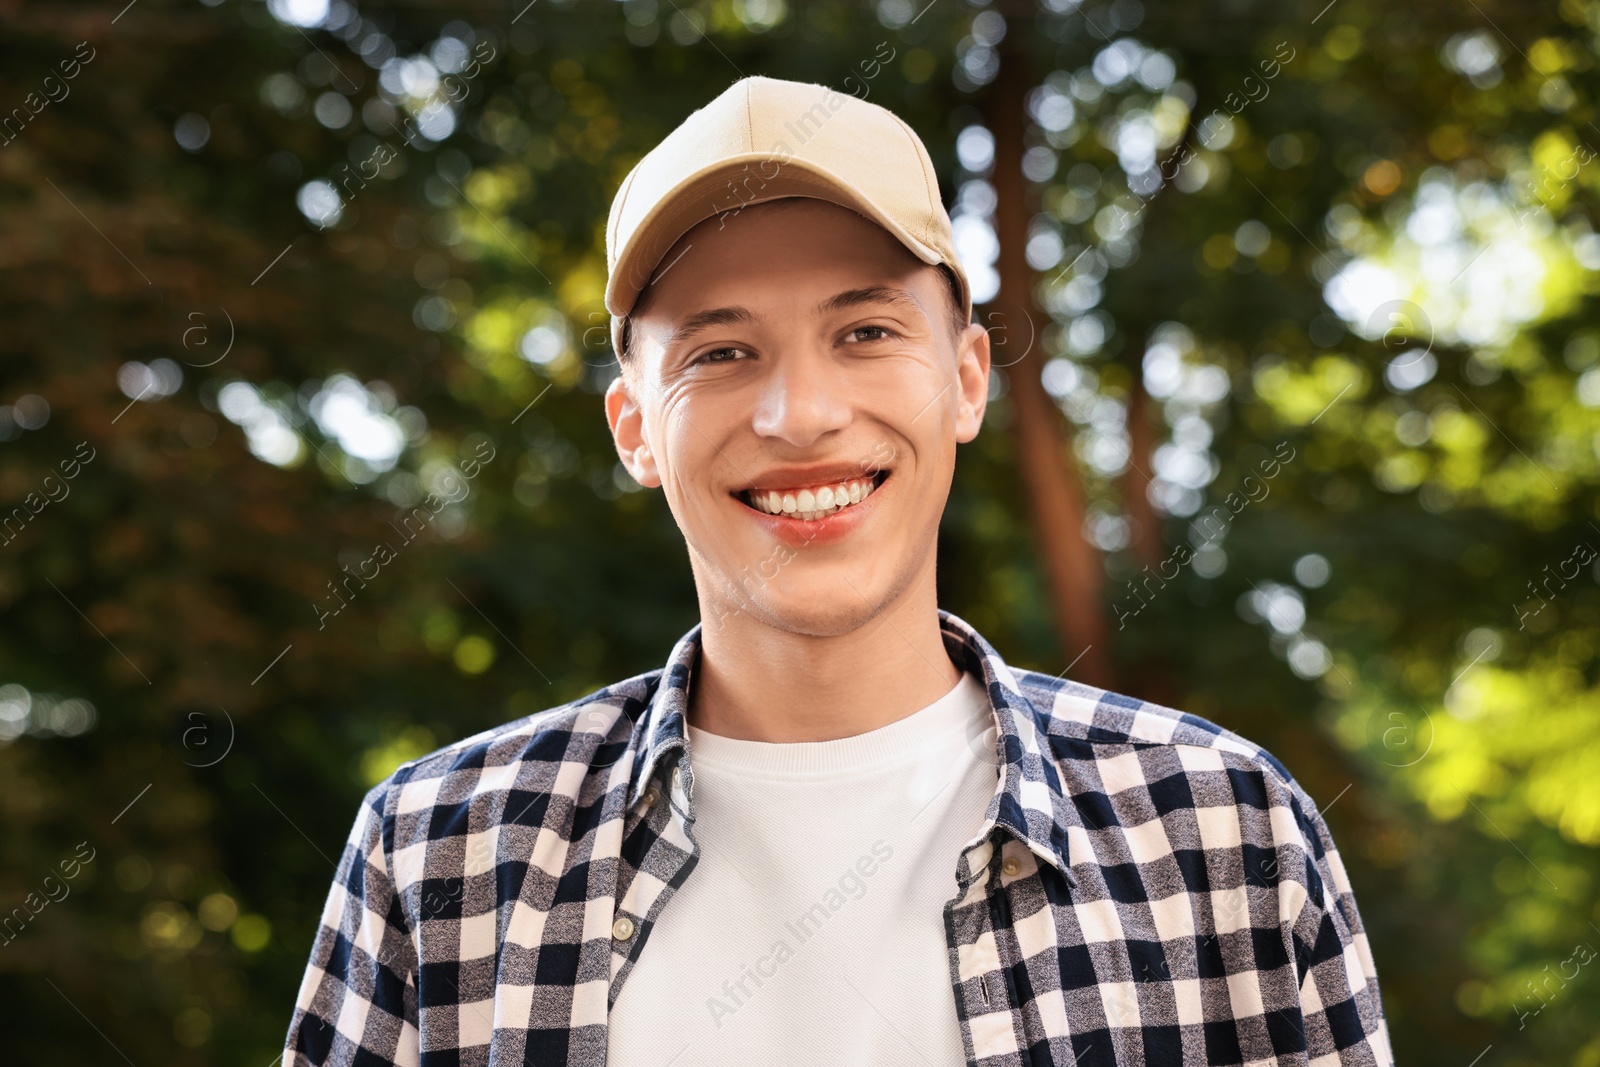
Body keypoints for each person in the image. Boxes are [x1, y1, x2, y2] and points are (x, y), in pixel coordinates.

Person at [283, 75, 1393, 1067]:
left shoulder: (1224, 833)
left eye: (863, 331)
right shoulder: (439, 854)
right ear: (633, 428)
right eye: (721, 352)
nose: (801, 414)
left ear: (965, 380)